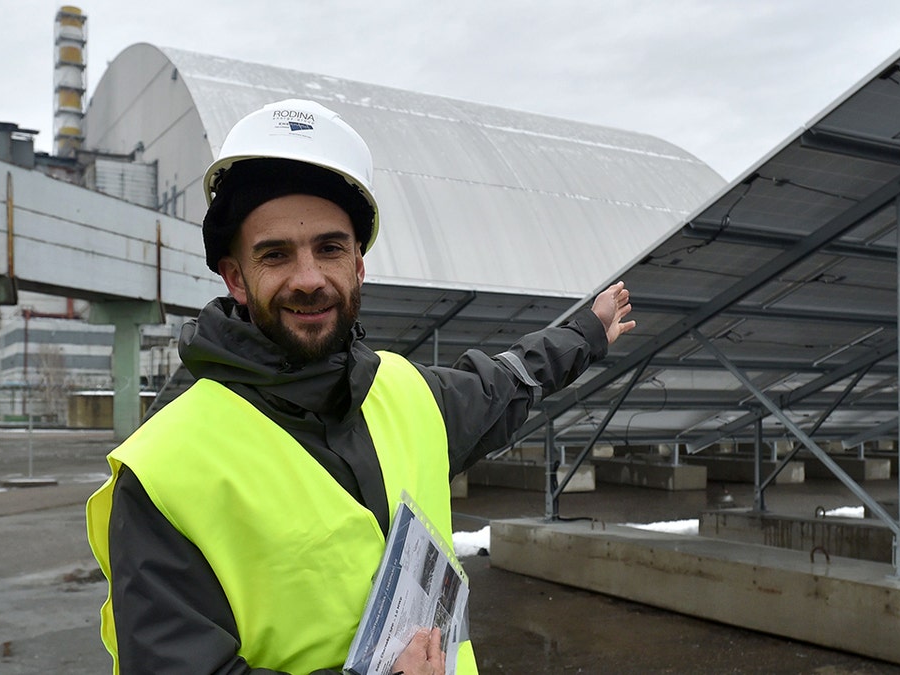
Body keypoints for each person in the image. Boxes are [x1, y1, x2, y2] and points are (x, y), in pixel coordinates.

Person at [85, 98, 635, 675]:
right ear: (235, 278)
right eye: (275, 255)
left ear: (359, 265)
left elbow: (504, 384)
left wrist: (585, 334)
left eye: (330, 248)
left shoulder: (405, 391)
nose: (309, 279)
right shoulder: (166, 467)